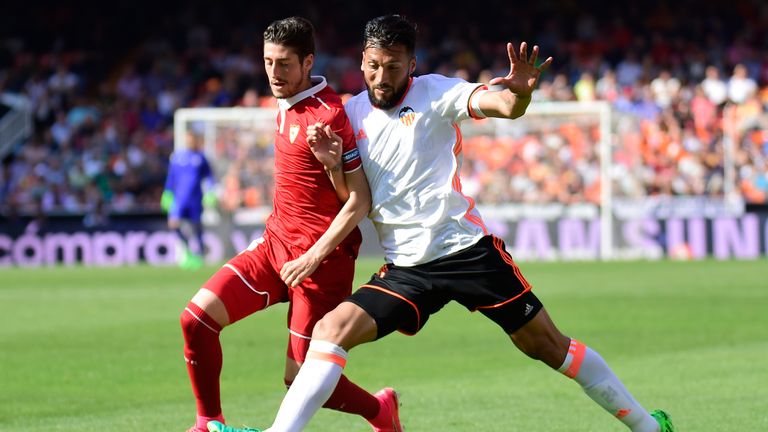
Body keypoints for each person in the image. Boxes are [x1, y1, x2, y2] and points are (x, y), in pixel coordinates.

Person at [227, 14, 676, 432]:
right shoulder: (351, 115)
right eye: (373, 66)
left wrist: (519, 91)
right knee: (331, 331)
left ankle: (649, 425)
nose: (382, 77)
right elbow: (354, 198)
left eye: (393, 66)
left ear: (412, 65)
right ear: (361, 61)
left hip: (466, 251)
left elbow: (501, 104)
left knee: (546, 346)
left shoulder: (436, 93)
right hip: (407, 269)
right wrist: (329, 165)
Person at [183, 17, 402, 432]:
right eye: (268, 62)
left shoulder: (329, 114)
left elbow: (358, 201)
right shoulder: (283, 103)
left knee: (299, 381)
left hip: (322, 262)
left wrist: (333, 168)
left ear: (307, 62)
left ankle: (380, 411)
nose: (274, 73)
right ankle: (207, 422)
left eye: (284, 64)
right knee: (196, 319)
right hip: (275, 246)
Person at [161, 130, 217, 269]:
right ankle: (188, 251)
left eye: (192, 139)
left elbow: (209, 177)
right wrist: (167, 193)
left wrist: (210, 192)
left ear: (196, 141)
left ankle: (199, 254)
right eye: (187, 139)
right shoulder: (177, 157)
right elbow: (171, 178)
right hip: (179, 199)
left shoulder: (201, 158)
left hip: (195, 200)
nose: (189, 141)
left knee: (196, 227)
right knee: (173, 224)